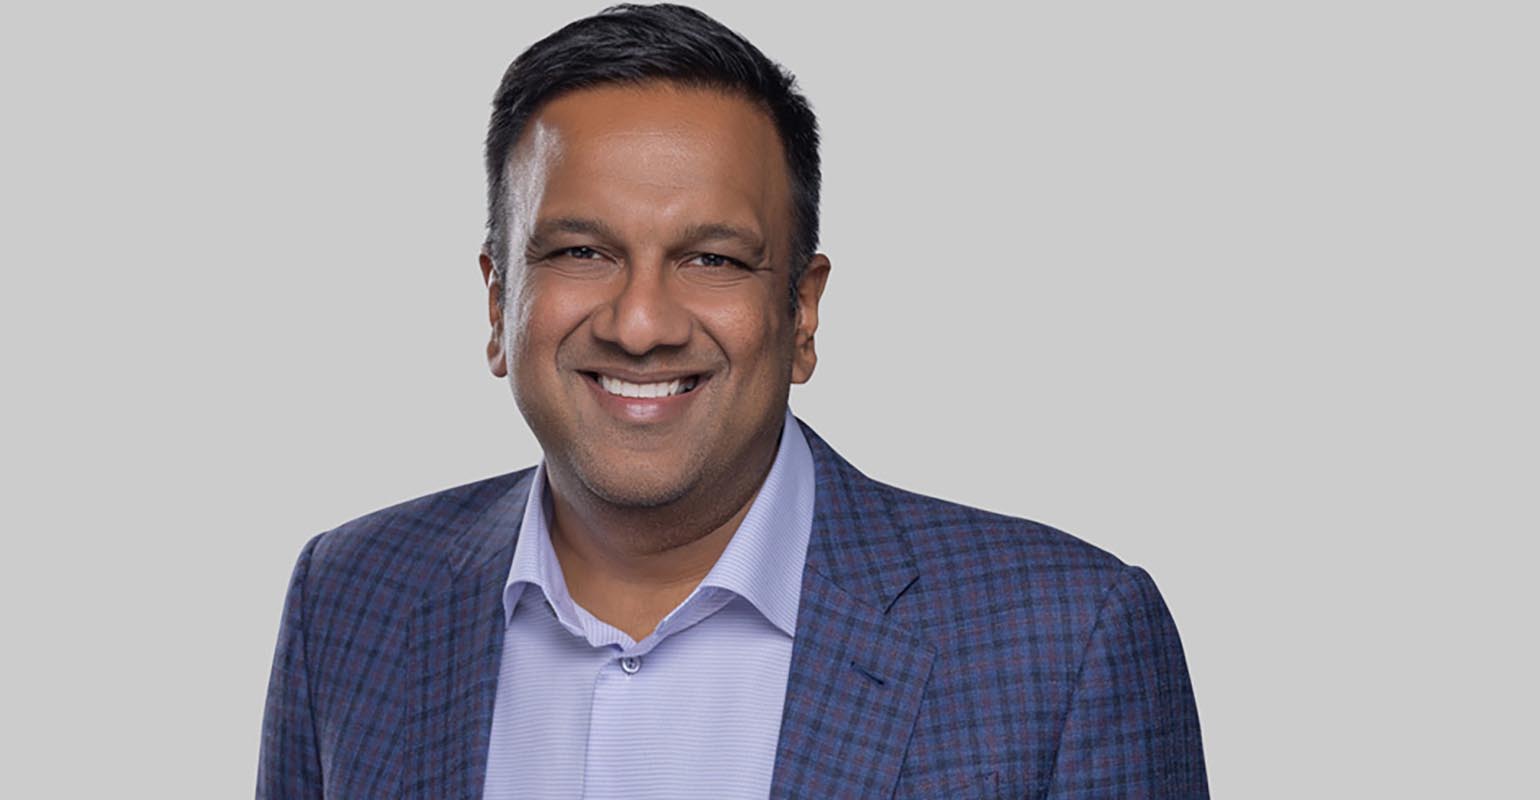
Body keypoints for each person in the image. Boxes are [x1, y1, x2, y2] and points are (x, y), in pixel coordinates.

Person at [257, 4, 1208, 798]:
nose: (640, 325)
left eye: (711, 259)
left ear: (801, 312)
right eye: (582, 252)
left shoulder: (1068, 640)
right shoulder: (350, 599)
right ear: (500, 303)